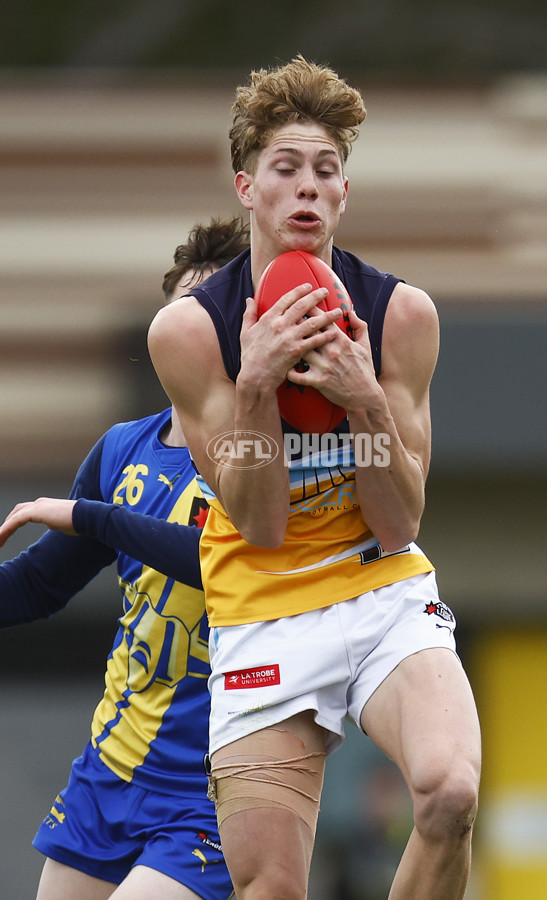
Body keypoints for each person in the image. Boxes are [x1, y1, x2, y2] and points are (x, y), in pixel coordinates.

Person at [146, 56, 482, 900]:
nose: (306, 189)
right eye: (286, 170)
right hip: (263, 603)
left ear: (343, 194)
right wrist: (257, 384)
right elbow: (256, 520)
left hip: (378, 586)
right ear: (247, 187)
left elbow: (400, 521)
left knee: (452, 793)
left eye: (325, 172)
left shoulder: (401, 315)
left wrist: (365, 402)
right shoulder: (191, 333)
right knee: (272, 890)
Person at [0, 217, 249, 900]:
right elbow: (37, 586)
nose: (195, 329)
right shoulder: (121, 449)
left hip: (212, 792)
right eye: (183, 309)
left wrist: (91, 516)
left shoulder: (262, 454)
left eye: (216, 311)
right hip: (109, 774)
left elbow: (231, 563)